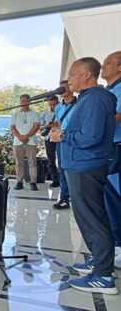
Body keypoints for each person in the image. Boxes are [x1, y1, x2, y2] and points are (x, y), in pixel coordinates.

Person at [50, 57, 118, 295]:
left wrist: (63, 137)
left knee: (93, 219)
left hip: (86, 166)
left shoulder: (96, 99)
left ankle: (103, 276)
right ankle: (98, 261)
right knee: (88, 218)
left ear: (87, 75)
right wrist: (66, 132)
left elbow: (91, 137)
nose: (69, 80)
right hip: (80, 165)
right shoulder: (89, 99)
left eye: (73, 74)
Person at [100, 50, 121, 269]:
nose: (103, 66)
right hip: (109, 148)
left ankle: (118, 246)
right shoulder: (109, 90)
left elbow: (115, 118)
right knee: (109, 198)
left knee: (115, 198)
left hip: (117, 149)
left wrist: (91, 129)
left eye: (107, 63)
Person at [52, 80, 77, 210]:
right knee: (61, 170)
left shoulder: (80, 104)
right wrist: (56, 131)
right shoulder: (58, 107)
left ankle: (78, 198)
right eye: (60, 88)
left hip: (74, 140)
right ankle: (64, 198)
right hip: (61, 141)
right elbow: (59, 123)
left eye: (65, 88)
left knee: (74, 170)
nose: (62, 90)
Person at [10, 94, 41, 191]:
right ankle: (19, 182)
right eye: (22, 101)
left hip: (30, 142)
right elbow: (12, 127)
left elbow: (36, 127)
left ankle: (33, 182)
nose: (24, 103)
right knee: (19, 164)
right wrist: (20, 137)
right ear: (20, 102)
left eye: (26, 101)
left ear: (30, 102)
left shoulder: (35, 114)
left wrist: (26, 136)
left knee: (32, 163)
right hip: (17, 142)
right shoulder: (15, 115)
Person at [39, 96, 60, 188]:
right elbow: (39, 128)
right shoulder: (44, 114)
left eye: (54, 104)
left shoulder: (63, 112)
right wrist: (46, 125)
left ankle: (64, 179)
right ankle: (55, 180)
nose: (52, 106)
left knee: (62, 160)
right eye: (50, 104)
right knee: (51, 160)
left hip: (60, 139)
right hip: (49, 139)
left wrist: (57, 125)